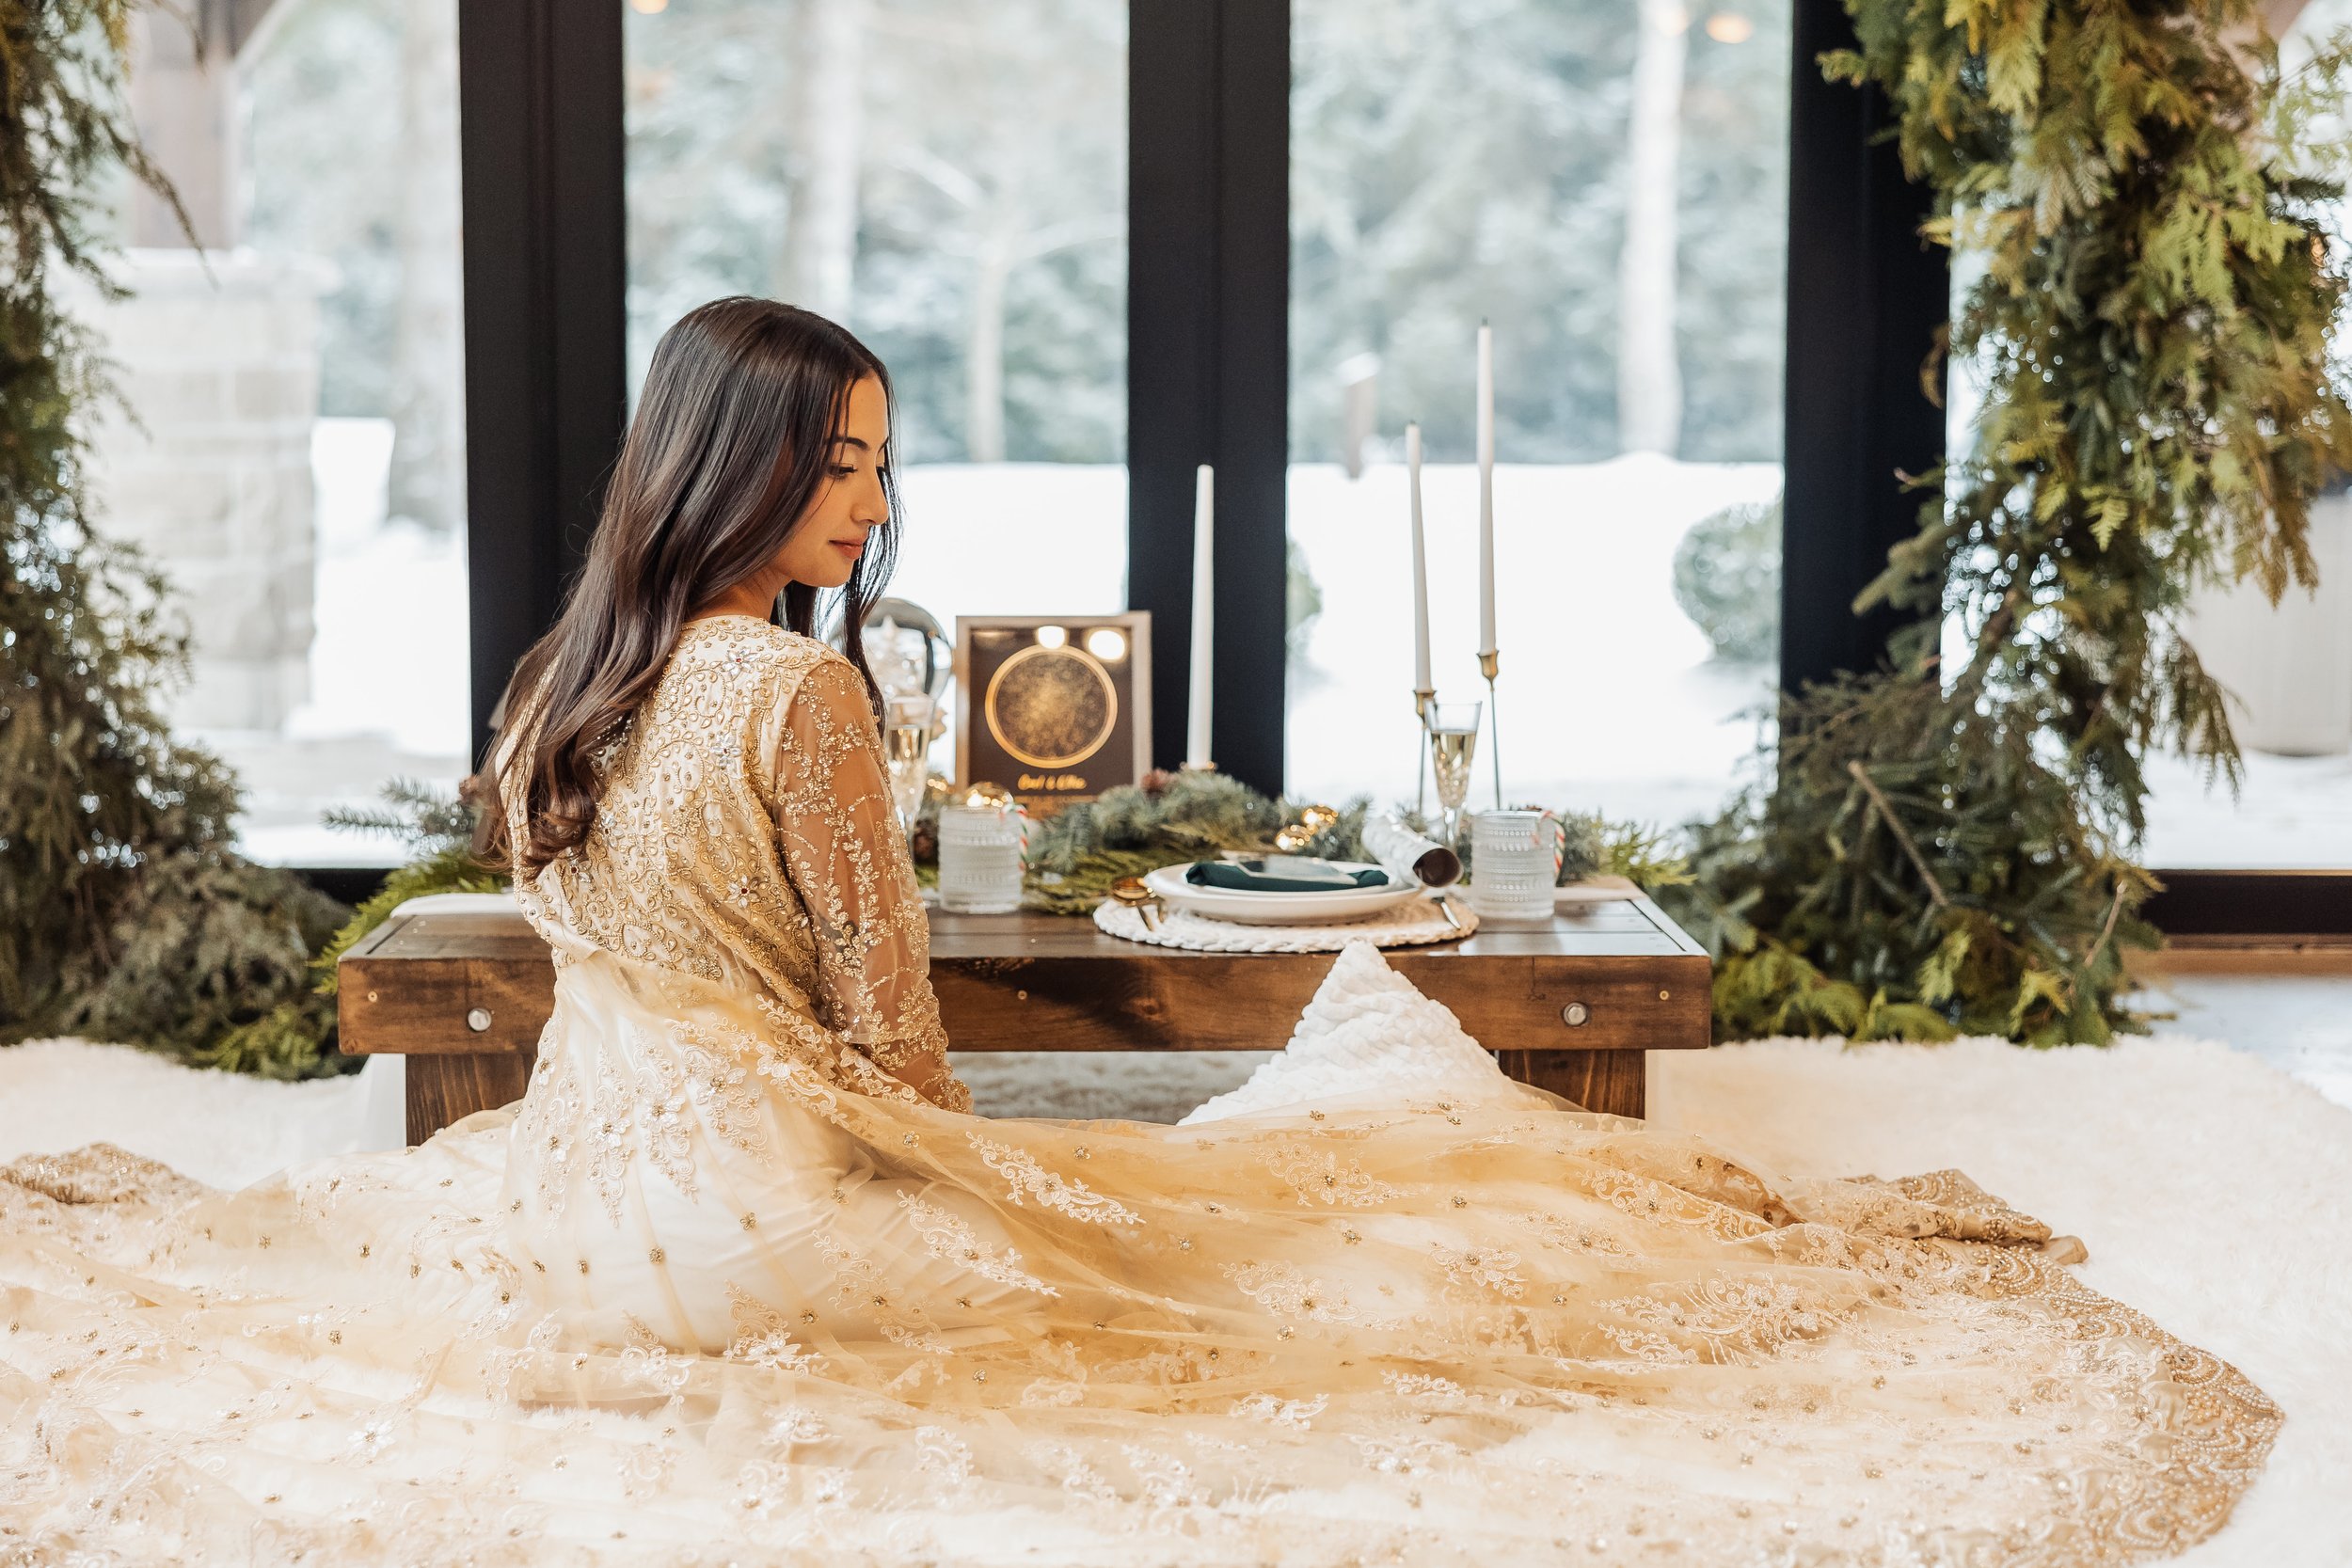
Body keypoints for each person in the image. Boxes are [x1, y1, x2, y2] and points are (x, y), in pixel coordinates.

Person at [0, 298, 2276, 1565]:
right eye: (847, 465)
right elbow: (891, 1037)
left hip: (578, 1205)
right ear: (739, 472)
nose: (877, 502)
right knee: (1285, 1269)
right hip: (765, 1209)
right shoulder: (800, 692)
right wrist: (1023, 1188)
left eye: (877, 464)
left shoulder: (553, 681)